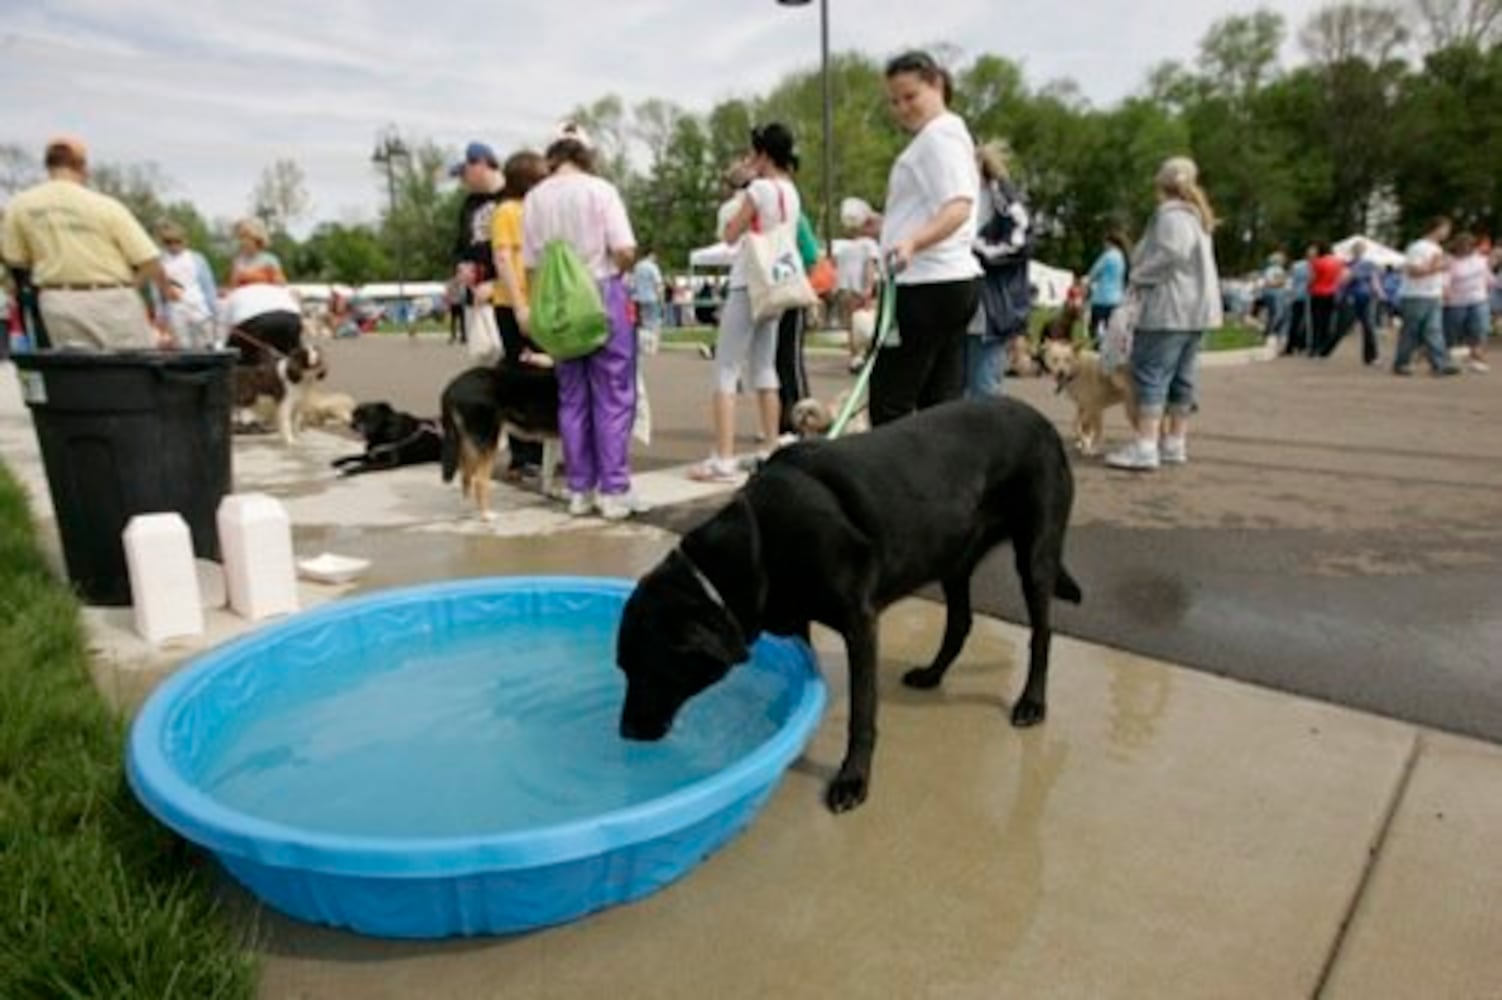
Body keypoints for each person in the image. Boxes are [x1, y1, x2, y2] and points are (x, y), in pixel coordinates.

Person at [522, 124, 640, 520]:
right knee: (613, 393)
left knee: (572, 397)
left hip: (557, 305)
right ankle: (613, 489)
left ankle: (579, 488)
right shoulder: (600, 190)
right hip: (600, 292)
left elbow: (531, 265)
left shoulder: (534, 199)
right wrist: (619, 266)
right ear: (586, 153)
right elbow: (624, 249)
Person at [870, 51, 982, 426]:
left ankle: (892, 483)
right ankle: (946, 480)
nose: (902, 108)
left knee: (891, 400)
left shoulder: (937, 139)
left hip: (925, 283)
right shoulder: (950, 135)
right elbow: (944, 207)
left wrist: (912, 242)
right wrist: (887, 228)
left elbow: (958, 206)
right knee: (940, 399)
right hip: (948, 280)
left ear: (936, 85)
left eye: (910, 96)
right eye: (895, 101)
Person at [689, 123, 805, 482]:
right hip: (778, 281)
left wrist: (743, 188)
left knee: (726, 367)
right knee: (765, 367)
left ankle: (722, 456)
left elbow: (730, 232)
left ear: (764, 154)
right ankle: (771, 445)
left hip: (748, 280)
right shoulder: (791, 190)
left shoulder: (759, 189)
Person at [0, 136, 172, 350]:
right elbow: (150, 261)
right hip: (112, 298)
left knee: (77, 374)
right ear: (81, 166)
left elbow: (16, 260)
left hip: (57, 301)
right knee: (130, 371)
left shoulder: (20, 206)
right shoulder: (104, 206)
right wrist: (130, 286)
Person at [1106, 156, 1222, 472]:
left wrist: (1139, 275)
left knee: (1151, 375)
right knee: (1183, 378)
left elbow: (1172, 253)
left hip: (1169, 309)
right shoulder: (1199, 217)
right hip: (1196, 312)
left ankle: (1145, 445)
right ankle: (1175, 442)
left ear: (1161, 183)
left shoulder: (1170, 215)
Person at [490, 148, 549, 474]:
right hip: (514, 303)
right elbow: (503, 258)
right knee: (523, 374)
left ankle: (538, 449)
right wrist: (520, 304)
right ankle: (524, 453)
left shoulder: (532, 211)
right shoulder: (508, 211)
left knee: (540, 376)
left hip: (536, 301)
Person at [968, 139, 1031, 399]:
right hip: (965, 305)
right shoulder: (964, 199)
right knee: (961, 389)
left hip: (990, 308)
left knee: (984, 386)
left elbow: (1020, 242)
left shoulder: (1001, 198)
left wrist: (975, 247)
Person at [452, 140, 505, 346]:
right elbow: (460, 245)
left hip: (504, 293)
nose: (462, 181)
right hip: (475, 296)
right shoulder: (469, 204)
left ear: (481, 164)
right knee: (484, 356)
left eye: (464, 173)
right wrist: (460, 267)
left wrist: (496, 286)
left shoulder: (511, 197)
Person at [1393, 217, 1460, 377]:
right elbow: (1413, 272)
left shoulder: (1436, 248)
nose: (1447, 233)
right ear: (1437, 228)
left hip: (1432, 294)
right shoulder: (1418, 247)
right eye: (1446, 229)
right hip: (1415, 295)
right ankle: (1401, 363)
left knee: (1434, 330)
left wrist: (1442, 287)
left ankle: (1440, 364)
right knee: (1411, 331)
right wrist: (1439, 267)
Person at [151, 219, 218, 349]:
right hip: (175, 310)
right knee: (182, 345)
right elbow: (157, 292)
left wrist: (213, 310)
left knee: (204, 344)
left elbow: (208, 286)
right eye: (168, 242)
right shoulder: (160, 262)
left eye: (177, 241)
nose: (173, 245)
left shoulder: (197, 259)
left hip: (199, 307)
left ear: (185, 241)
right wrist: (160, 314)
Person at [833, 210, 881, 372]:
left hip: (843, 288)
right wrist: (868, 288)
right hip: (859, 288)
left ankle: (854, 358)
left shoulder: (846, 247)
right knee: (866, 323)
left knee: (851, 326)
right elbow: (869, 266)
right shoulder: (870, 244)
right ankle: (866, 355)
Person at [1323, 240, 1383, 365]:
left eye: (1361, 249)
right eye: (1357, 249)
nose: (1359, 251)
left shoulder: (1369, 264)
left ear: (1364, 251)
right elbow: (1342, 281)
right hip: (1350, 297)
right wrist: (1340, 292)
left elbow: (1374, 279)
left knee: (1368, 326)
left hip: (1365, 297)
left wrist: (1379, 293)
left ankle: (1371, 357)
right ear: (1353, 251)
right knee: (1342, 326)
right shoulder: (1347, 264)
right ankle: (1325, 351)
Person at [1443, 233, 1492, 373]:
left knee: (1479, 330)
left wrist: (1491, 285)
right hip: (1456, 302)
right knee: (1453, 333)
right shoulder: (1450, 261)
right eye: (1463, 246)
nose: (1466, 248)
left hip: (1478, 299)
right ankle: (1451, 361)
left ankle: (1476, 360)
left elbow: (1488, 277)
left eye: (1469, 245)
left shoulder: (1481, 259)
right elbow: (1445, 280)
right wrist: (1445, 293)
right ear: (1457, 247)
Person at [1087, 229, 1129, 347]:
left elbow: (1093, 273)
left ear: (1109, 242)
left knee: (1094, 328)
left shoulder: (1107, 256)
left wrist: (1087, 283)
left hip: (1102, 298)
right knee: (1111, 329)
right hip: (1117, 299)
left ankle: (1098, 348)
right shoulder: (1122, 258)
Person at [1307, 241, 1345, 356]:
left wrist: (1309, 286)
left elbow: (1313, 278)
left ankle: (1314, 347)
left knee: (1316, 321)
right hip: (1331, 293)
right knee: (1327, 321)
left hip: (1318, 293)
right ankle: (1324, 347)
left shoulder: (1317, 262)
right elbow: (1341, 278)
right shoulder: (1337, 262)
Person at [229, 217, 286, 287]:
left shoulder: (270, 260)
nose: (243, 241)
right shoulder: (238, 261)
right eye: (240, 237)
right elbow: (233, 289)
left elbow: (281, 285)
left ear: (257, 238)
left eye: (246, 237)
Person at [1283, 246, 1313, 355]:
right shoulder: (1298, 265)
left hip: (1312, 297)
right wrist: (1289, 295)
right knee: (1295, 322)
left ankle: (1302, 344)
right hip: (1299, 297)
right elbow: (1290, 280)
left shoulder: (1317, 265)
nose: (1312, 256)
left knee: (1307, 323)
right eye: (1310, 254)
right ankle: (1290, 346)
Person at [630, 246, 665, 337]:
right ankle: (653, 345)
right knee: (654, 324)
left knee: (641, 324)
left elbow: (632, 284)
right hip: (651, 298)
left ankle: (643, 344)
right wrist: (662, 300)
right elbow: (658, 284)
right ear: (651, 255)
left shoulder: (637, 266)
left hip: (638, 298)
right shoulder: (653, 267)